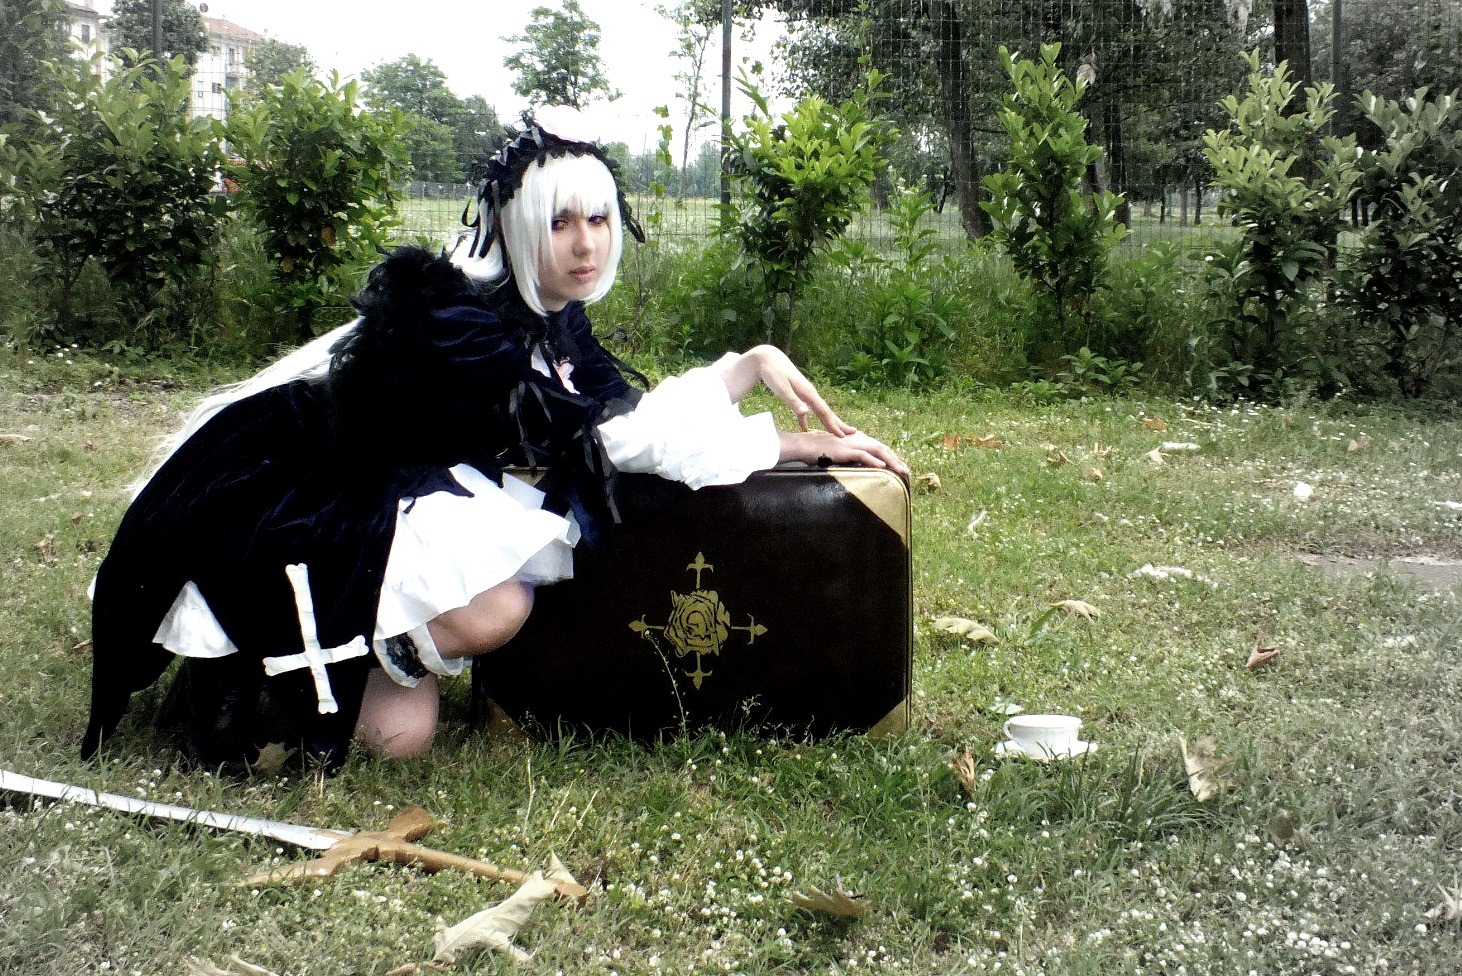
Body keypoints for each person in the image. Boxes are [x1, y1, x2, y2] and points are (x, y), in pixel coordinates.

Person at [81, 106, 907, 773]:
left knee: (399, 740)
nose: (586, 243)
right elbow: (595, 441)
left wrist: (758, 385)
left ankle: (329, 662)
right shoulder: (463, 319)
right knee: (498, 604)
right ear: (517, 227)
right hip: (319, 485)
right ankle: (227, 667)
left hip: (405, 492)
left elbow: (620, 420)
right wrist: (769, 415)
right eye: (560, 223)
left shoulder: (557, 321)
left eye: (599, 217)